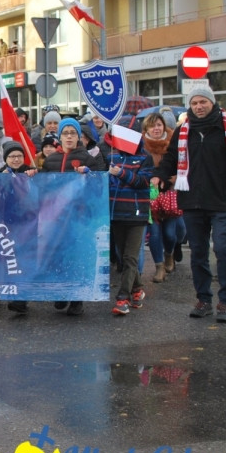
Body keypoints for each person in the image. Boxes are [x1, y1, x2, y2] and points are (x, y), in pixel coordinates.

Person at [151, 85, 226, 323]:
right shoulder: (183, 130)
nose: (199, 106)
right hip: (192, 202)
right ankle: (204, 299)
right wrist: (159, 174)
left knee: (223, 249)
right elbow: (170, 158)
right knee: (198, 252)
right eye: (195, 103)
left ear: (212, 102)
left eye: (203, 102)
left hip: (222, 200)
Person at [40, 117, 107, 316]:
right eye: (65, 133)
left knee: (76, 257)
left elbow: (99, 187)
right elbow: (43, 188)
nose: (69, 137)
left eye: (73, 133)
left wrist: (90, 175)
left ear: (79, 136)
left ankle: (77, 299)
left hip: (79, 217)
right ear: (59, 136)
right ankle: (61, 293)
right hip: (56, 217)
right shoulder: (51, 160)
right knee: (57, 256)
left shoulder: (87, 158)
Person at [105, 132, 153, 315]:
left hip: (136, 214)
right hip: (116, 213)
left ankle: (122, 298)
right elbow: (105, 180)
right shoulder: (112, 156)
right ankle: (137, 289)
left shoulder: (145, 158)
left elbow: (143, 182)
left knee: (130, 258)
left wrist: (122, 173)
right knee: (122, 255)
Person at [140, 111, 186, 283]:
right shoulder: (142, 147)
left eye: (159, 125)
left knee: (170, 233)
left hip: (170, 193)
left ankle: (169, 254)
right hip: (150, 195)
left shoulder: (173, 143)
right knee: (155, 234)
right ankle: (159, 266)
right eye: (152, 126)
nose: (156, 129)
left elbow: (182, 165)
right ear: (146, 129)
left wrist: (174, 179)